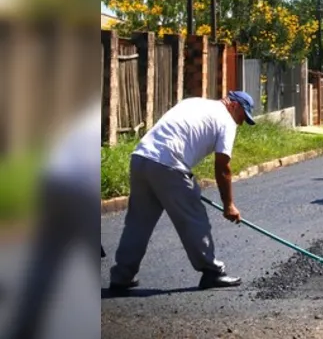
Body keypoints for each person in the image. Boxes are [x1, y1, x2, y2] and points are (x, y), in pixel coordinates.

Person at [108, 91, 256, 294]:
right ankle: (212, 272)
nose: (240, 123)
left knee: (138, 223)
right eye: (242, 117)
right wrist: (228, 204)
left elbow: (178, 134)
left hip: (141, 158)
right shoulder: (226, 121)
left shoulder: (194, 102)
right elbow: (223, 167)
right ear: (234, 105)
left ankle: (121, 276)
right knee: (194, 219)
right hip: (168, 164)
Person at [6, 101, 101, 339]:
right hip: (82, 184)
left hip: (52, 180)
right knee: (92, 259)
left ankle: (25, 326)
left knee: (46, 260)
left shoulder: (85, 114)